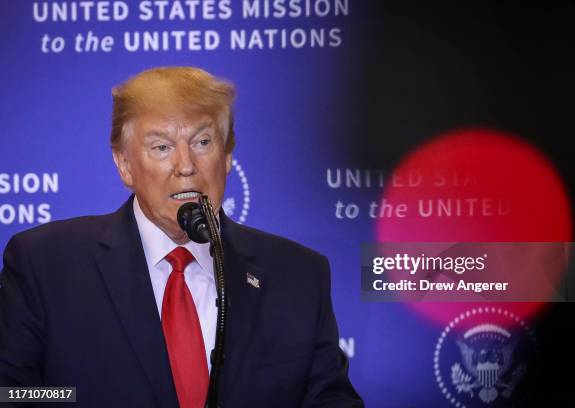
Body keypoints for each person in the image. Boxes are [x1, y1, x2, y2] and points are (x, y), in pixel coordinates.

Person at [0, 67, 363, 407]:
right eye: (161, 147)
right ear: (125, 164)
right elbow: (15, 395)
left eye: (202, 141)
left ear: (226, 158)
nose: (186, 165)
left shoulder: (297, 276)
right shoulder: (46, 266)